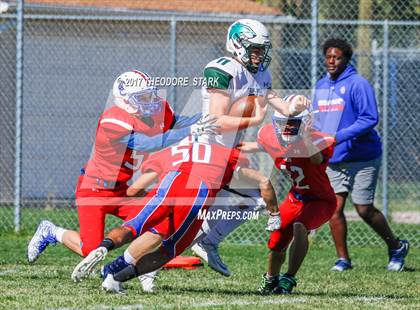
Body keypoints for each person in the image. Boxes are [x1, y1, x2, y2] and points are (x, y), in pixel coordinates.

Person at [27, 70, 217, 263]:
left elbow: (175, 122)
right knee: (90, 250)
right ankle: (51, 231)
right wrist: (190, 131)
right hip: (94, 189)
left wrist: (208, 117)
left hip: (121, 190)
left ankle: (140, 269)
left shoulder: (156, 109)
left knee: (154, 220)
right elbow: (147, 143)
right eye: (142, 97)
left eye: (149, 94)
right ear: (124, 99)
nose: (150, 100)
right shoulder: (113, 119)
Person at [71, 136, 281, 294]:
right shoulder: (230, 153)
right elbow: (261, 182)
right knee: (170, 249)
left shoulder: (183, 147)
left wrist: (152, 194)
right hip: (197, 192)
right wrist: (274, 213)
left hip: (170, 182)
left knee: (135, 226)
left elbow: (134, 190)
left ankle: (104, 247)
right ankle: (115, 277)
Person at [191, 18, 311, 277]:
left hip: (230, 153)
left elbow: (280, 104)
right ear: (238, 44)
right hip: (209, 150)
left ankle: (204, 241)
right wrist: (255, 120)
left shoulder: (260, 74)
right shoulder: (222, 69)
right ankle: (146, 262)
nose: (259, 55)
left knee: (252, 201)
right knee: (191, 213)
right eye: (254, 48)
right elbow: (217, 120)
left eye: (261, 49)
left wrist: (295, 105)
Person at [313, 38, 409, 272]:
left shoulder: (358, 84)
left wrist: (338, 136)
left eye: (337, 57)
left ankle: (396, 247)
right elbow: (315, 118)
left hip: (364, 156)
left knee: (363, 208)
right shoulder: (321, 86)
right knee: (334, 209)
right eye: (328, 57)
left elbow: (369, 118)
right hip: (335, 159)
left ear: (347, 59)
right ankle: (343, 260)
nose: (331, 61)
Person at [239, 107, 336, 294]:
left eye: (292, 124)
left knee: (300, 225)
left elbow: (316, 159)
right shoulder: (270, 136)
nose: (285, 129)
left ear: (305, 125)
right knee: (277, 239)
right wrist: (220, 145)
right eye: (281, 124)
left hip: (320, 200)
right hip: (296, 197)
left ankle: (289, 277)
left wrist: (306, 138)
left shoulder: (317, 140)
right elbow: (253, 146)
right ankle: (270, 279)